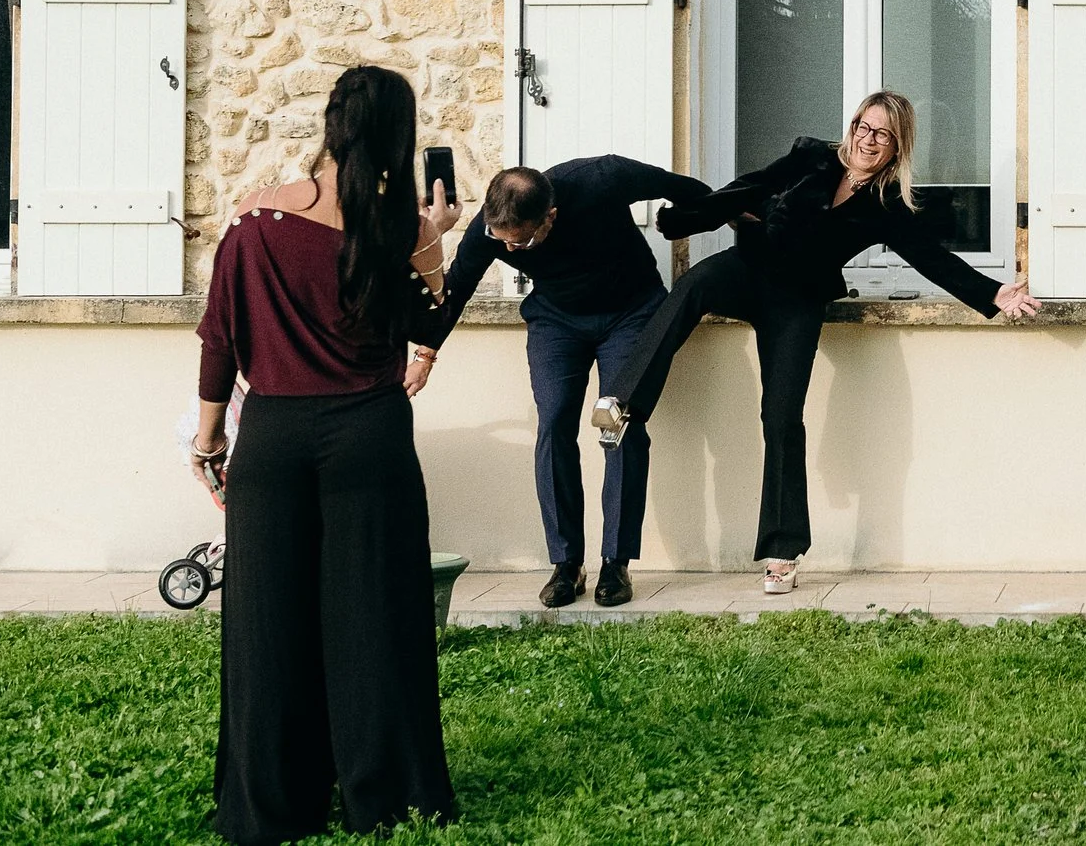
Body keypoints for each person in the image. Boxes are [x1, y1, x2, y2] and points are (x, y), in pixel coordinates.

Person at [592, 91, 1041, 595]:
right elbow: (748, 188)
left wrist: (993, 292)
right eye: (863, 127)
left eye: (882, 134)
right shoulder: (811, 157)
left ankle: (782, 550)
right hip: (748, 270)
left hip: (797, 304)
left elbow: (931, 259)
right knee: (692, 286)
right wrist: (686, 219)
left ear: (897, 146)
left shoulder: (886, 205)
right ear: (852, 127)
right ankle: (626, 402)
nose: (868, 140)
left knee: (781, 417)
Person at [189, 66, 461, 845]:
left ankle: (270, 802)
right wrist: (434, 238)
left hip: (272, 437)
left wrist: (211, 436)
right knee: (377, 616)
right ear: (396, 137)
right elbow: (428, 324)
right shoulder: (400, 226)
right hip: (370, 437)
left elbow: (220, 338)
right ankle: (389, 795)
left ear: (331, 122)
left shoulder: (253, 219)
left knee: (267, 625)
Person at [415, 155, 713, 610]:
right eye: (503, 241)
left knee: (619, 425)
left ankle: (616, 562)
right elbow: (456, 288)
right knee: (553, 424)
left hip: (631, 312)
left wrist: (737, 215)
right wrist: (426, 355)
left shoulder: (600, 179)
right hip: (557, 320)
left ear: (550, 216)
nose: (511, 251)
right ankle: (566, 563)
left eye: (523, 242)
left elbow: (683, 186)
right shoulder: (492, 230)